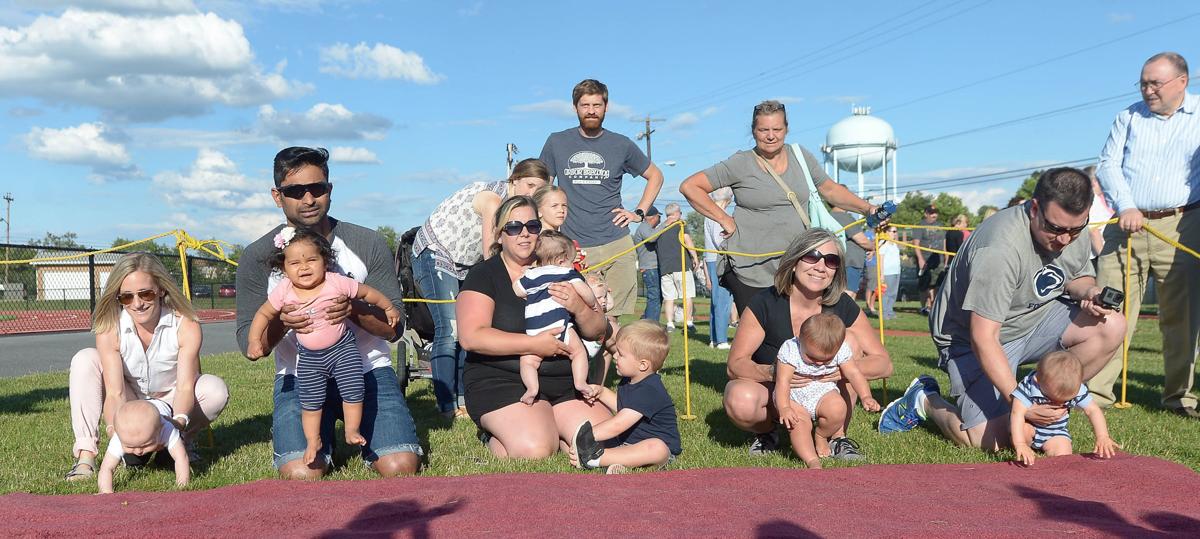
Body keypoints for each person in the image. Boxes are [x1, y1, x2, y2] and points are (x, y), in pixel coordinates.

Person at [878, 168, 1127, 453]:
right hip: (972, 339)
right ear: (1034, 208)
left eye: (1076, 229)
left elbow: (1076, 277)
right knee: (992, 440)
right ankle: (924, 400)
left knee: (1112, 325)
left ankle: (1046, 405)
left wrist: (1089, 292)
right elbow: (983, 337)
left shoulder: (1071, 229)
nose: (1065, 240)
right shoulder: (999, 248)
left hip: (1037, 318)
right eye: (1056, 229)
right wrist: (1019, 402)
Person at [235, 146, 421, 480]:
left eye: (317, 188)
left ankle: (362, 433)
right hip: (300, 375)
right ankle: (318, 439)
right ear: (277, 196)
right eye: (295, 191)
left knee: (400, 467)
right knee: (301, 474)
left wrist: (353, 309)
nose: (308, 199)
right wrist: (281, 323)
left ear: (330, 190)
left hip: (366, 369)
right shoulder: (257, 256)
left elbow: (394, 329)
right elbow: (251, 347)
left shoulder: (366, 242)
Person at [679, 100, 879, 313]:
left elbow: (829, 189)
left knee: (803, 334)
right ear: (753, 131)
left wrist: (867, 209)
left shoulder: (800, 156)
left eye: (777, 129)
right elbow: (690, 186)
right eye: (763, 130)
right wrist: (724, 219)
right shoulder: (740, 163)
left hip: (798, 266)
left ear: (787, 129)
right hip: (751, 271)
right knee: (761, 339)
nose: (771, 135)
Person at [457, 196, 612, 459]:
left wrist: (578, 306)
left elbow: (598, 331)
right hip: (502, 380)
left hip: (566, 382)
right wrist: (535, 345)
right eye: (514, 227)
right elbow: (471, 338)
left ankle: (555, 426)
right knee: (536, 450)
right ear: (499, 234)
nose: (524, 233)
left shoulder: (561, 268)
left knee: (605, 443)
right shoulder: (484, 275)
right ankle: (498, 435)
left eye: (532, 226)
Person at [1089, 52, 1200, 416]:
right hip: (1126, 225)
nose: (1148, 90)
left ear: (1182, 82)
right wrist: (1126, 206)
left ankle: (1178, 399)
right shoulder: (1128, 116)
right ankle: (1095, 395)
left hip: (1182, 224)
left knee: (1181, 318)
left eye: (1156, 83)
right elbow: (1107, 164)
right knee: (1108, 308)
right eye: (1143, 83)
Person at [723, 228, 893, 458]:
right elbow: (735, 365)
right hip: (778, 393)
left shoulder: (842, 305)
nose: (821, 267)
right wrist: (775, 372)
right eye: (812, 257)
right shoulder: (764, 303)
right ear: (794, 262)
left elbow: (884, 364)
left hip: (827, 395)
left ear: (836, 270)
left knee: (848, 342)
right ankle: (768, 432)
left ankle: (837, 438)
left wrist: (839, 371)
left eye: (831, 261)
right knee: (740, 398)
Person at [65, 253, 228, 482]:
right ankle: (86, 456)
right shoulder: (110, 327)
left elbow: (184, 387)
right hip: (131, 398)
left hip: (172, 399)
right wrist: (116, 428)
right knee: (85, 359)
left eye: (146, 293)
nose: (138, 303)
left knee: (215, 389)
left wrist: (178, 421)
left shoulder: (185, 324)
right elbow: (115, 392)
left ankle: (181, 442)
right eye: (127, 298)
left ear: (161, 289)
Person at [246, 227, 402, 465]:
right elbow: (263, 314)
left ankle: (351, 430)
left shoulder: (336, 282)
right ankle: (312, 440)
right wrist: (254, 341)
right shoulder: (284, 291)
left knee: (353, 390)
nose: (304, 267)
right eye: (295, 263)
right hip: (308, 359)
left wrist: (389, 308)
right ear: (283, 268)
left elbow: (368, 293)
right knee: (310, 402)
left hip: (343, 351)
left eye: (311, 260)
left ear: (325, 262)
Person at [412, 159, 551, 419]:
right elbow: (491, 249)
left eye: (539, 189)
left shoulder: (523, 212)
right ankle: (445, 405)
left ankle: (465, 400)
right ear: (513, 181)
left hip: (466, 264)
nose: (533, 193)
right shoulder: (494, 200)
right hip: (436, 252)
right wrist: (501, 287)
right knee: (450, 328)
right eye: (530, 185)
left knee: (472, 327)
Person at [539, 79, 665, 319]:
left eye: (597, 105)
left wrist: (638, 212)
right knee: (577, 317)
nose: (591, 110)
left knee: (611, 318)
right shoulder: (557, 142)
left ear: (606, 107)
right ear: (575, 107)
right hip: (573, 245)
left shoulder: (621, 144)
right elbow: (543, 187)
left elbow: (656, 176)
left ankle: (613, 358)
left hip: (615, 243)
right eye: (585, 105)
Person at [570, 320, 681, 474]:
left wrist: (587, 436)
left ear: (643, 365)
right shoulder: (630, 380)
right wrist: (601, 392)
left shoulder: (649, 390)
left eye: (621, 354)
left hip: (658, 450)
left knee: (657, 448)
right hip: (628, 443)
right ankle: (618, 463)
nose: (615, 355)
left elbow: (618, 424)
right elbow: (623, 407)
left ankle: (595, 458)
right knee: (614, 442)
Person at [775, 313, 880, 468]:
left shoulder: (841, 349)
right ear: (799, 339)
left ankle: (821, 435)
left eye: (826, 360)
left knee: (838, 408)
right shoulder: (791, 348)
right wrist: (784, 407)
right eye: (811, 357)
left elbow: (854, 373)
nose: (818, 363)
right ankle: (812, 460)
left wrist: (866, 396)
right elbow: (782, 381)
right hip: (793, 395)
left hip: (823, 390)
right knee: (799, 426)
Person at [513, 230, 598, 404]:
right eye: (571, 261)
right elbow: (586, 294)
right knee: (578, 352)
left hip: (535, 330)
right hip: (560, 325)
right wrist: (591, 303)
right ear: (561, 260)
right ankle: (580, 382)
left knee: (528, 361)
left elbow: (517, 290)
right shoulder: (567, 273)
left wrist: (524, 276)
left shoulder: (531, 274)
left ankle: (531, 388)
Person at [1010, 351, 1119, 467]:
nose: (1059, 403)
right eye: (1052, 398)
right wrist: (1020, 443)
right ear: (1038, 380)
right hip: (1030, 427)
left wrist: (1103, 436)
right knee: (1023, 430)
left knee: (1064, 458)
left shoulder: (1077, 388)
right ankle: (1023, 447)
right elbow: (1017, 414)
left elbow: (1093, 410)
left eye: (1066, 399)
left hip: (1056, 432)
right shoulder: (1029, 386)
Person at [97, 400, 188, 494]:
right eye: (130, 446)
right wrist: (105, 491)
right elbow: (106, 467)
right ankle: (137, 454)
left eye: (145, 445)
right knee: (133, 462)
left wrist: (182, 485)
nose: (138, 451)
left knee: (169, 460)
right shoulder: (120, 437)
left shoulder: (167, 429)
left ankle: (163, 454)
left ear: (159, 431)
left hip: (162, 408)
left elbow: (181, 457)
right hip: (149, 437)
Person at [656, 203, 700, 332]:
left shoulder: (660, 228)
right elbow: (687, 241)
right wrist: (695, 257)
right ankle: (688, 323)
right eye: (680, 213)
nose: (681, 215)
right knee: (687, 296)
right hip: (681, 266)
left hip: (665, 268)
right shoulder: (680, 225)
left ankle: (670, 324)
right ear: (676, 213)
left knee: (669, 298)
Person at [704, 188, 736, 348]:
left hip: (711, 259)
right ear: (728, 198)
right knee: (722, 300)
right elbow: (721, 241)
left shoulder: (709, 213)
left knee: (716, 301)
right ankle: (722, 340)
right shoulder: (718, 215)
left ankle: (714, 338)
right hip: (720, 259)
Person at [532, 184, 586, 270]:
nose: (561, 210)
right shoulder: (535, 240)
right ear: (538, 211)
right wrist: (567, 261)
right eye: (554, 206)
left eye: (564, 205)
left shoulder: (567, 240)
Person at [829, 207, 875, 300]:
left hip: (839, 260)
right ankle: (842, 314)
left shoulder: (828, 216)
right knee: (848, 296)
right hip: (850, 262)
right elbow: (862, 240)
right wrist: (872, 247)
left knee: (842, 295)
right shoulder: (845, 217)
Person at [630, 205, 664, 322]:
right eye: (659, 217)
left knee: (657, 296)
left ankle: (646, 319)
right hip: (650, 268)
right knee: (654, 297)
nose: (660, 221)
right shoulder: (644, 227)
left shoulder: (648, 228)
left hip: (652, 268)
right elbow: (651, 238)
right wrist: (666, 224)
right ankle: (651, 324)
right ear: (653, 217)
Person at [911, 206, 946, 316]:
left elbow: (943, 243)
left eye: (935, 213)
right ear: (926, 213)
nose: (934, 215)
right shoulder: (920, 226)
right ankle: (923, 307)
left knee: (936, 284)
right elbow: (915, 244)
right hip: (925, 259)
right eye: (931, 213)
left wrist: (945, 257)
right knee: (924, 285)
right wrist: (920, 259)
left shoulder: (940, 226)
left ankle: (934, 306)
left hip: (938, 260)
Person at [878, 227, 902, 320]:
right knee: (886, 294)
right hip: (888, 272)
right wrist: (881, 274)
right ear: (887, 232)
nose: (895, 234)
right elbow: (881, 259)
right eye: (893, 231)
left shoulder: (895, 244)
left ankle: (890, 311)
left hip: (896, 271)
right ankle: (884, 313)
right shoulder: (883, 243)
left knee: (893, 293)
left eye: (896, 231)